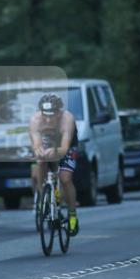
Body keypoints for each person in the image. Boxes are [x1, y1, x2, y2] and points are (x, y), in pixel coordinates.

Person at [29, 93, 79, 236]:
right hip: (47, 140)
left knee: (65, 178)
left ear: (60, 111)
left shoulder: (67, 119)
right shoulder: (35, 120)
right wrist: (41, 152)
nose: (49, 119)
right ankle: (42, 199)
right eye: (45, 115)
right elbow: (37, 144)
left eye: (53, 114)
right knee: (40, 161)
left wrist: (55, 151)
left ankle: (72, 214)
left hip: (67, 145)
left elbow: (64, 147)